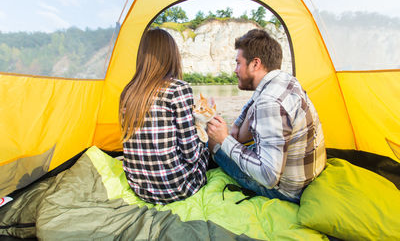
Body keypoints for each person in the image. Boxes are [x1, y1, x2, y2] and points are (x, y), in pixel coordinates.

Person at [207, 29, 326, 204]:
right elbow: (253, 103)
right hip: (304, 174)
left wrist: (224, 139)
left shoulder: (270, 103)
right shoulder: (284, 81)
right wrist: (233, 132)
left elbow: (269, 177)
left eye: (238, 63)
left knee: (213, 143)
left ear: (255, 64)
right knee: (232, 140)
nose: (235, 70)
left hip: (287, 191)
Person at [119, 28, 209, 205]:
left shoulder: (127, 92)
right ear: (172, 56)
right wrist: (203, 137)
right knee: (206, 146)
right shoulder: (178, 89)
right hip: (178, 187)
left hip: (141, 189)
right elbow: (191, 155)